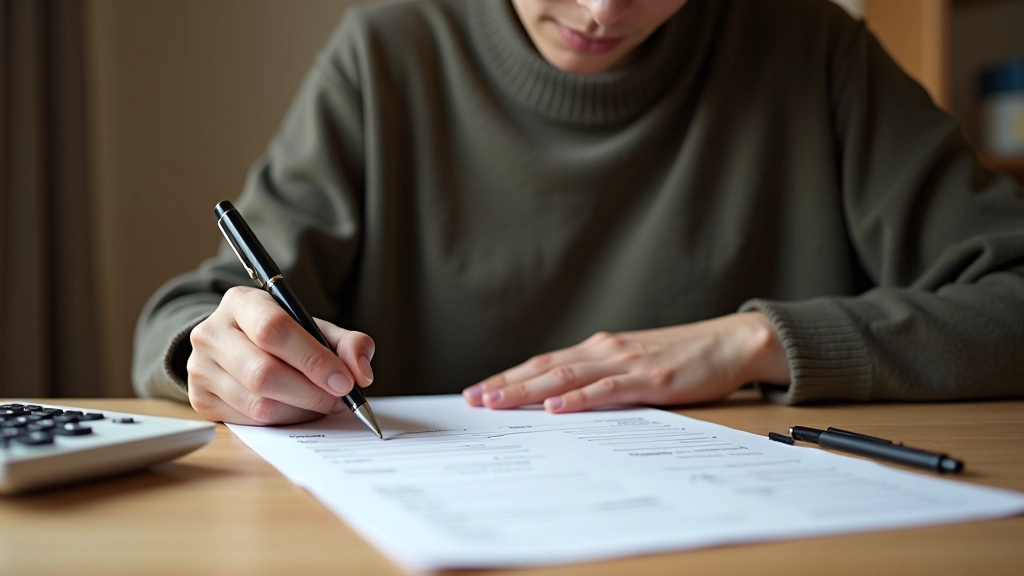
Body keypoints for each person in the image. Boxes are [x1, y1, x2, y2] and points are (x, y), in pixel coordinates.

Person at [133, 0, 1024, 426]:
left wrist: (752, 343)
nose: (601, 11)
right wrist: (211, 355)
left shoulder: (814, 50)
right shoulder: (388, 54)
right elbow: (194, 310)